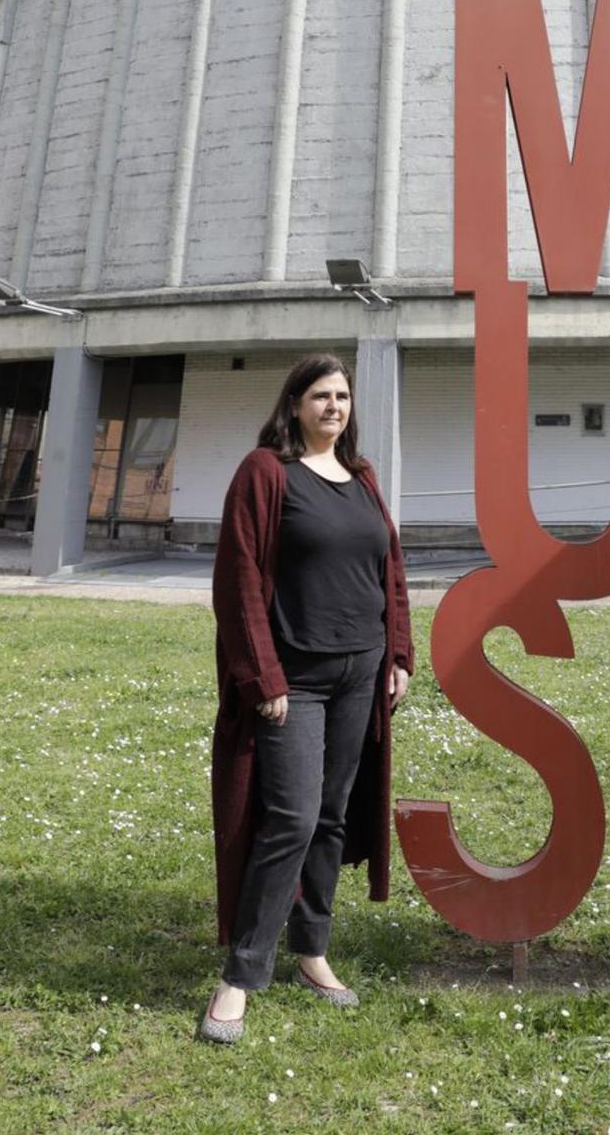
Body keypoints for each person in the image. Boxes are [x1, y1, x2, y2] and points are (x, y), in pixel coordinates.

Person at [201, 353, 414, 1044]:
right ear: (294, 404)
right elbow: (236, 583)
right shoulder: (266, 472)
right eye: (320, 395)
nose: (334, 406)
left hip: (361, 672)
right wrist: (261, 679)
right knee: (288, 817)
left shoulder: (361, 477)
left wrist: (401, 655)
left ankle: (312, 950)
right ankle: (240, 974)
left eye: (343, 396)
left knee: (330, 815)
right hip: (294, 679)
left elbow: (392, 573)